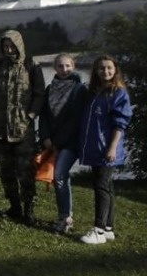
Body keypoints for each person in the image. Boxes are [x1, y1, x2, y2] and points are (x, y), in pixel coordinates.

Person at [0, 30, 46, 225]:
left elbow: (39, 95)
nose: (9, 50)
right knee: (6, 171)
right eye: (5, 46)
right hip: (1, 128)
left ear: (19, 45)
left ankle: (29, 210)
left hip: (23, 129)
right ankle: (14, 207)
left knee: (26, 171)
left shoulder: (31, 66)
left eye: (12, 46)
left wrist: (30, 115)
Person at [77, 56, 132, 245]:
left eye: (109, 68)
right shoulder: (95, 92)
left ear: (115, 70)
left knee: (101, 187)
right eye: (101, 68)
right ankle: (108, 228)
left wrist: (113, 147)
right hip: (95, 147)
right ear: (96, 71)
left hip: (107, 149)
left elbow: (120, 123)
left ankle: (98, 230)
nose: (105, 72)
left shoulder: (118, 93)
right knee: (107, 186)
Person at [38, 53, 86, 234]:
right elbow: (44, 116)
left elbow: (75, 120)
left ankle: (65, 218)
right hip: (52, 141)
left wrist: (57, 142)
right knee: (61, 177)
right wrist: (45, 137)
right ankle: (65, 217)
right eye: (60, 66)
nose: (64, 70)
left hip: (70, 142)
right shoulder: (50, 88)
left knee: (59, 175)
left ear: (73, 66)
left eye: (67, 66)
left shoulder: (79, 89)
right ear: (54, 67)